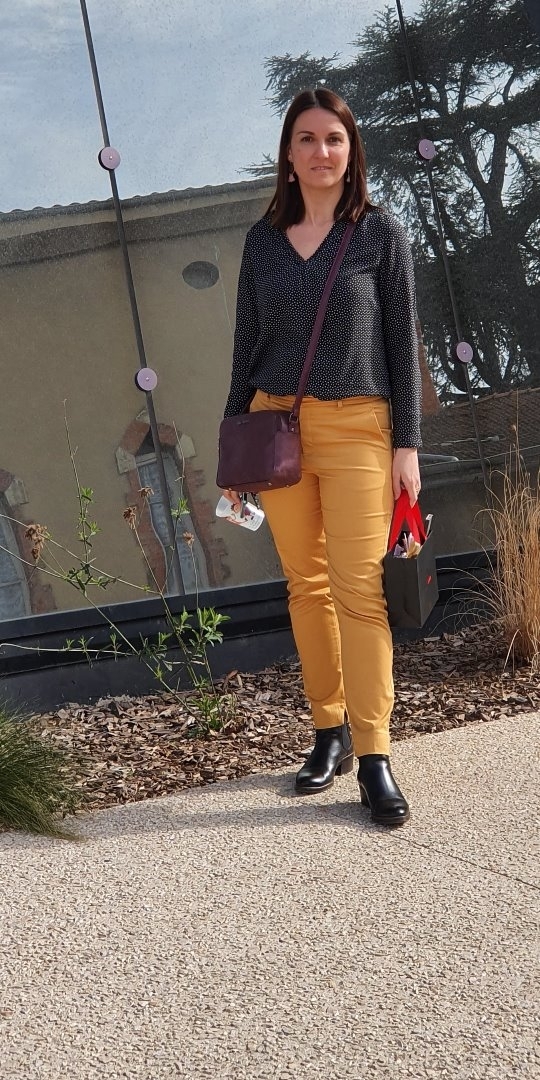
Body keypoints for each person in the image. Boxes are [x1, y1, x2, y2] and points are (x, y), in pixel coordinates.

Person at [221, 88, 422, 826]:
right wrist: (233, 447)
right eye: (306, 139)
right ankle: (327, 730)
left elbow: (402, 346)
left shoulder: (380, 234)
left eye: (333, 138)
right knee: (305, 587)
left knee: (359, 589)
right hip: (275, 428)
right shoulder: (262, 242)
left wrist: (407, 445)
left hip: (359, 428)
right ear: (288, 154)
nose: (320, 151)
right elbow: (246, 347)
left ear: (351, 150)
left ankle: (375, 755)